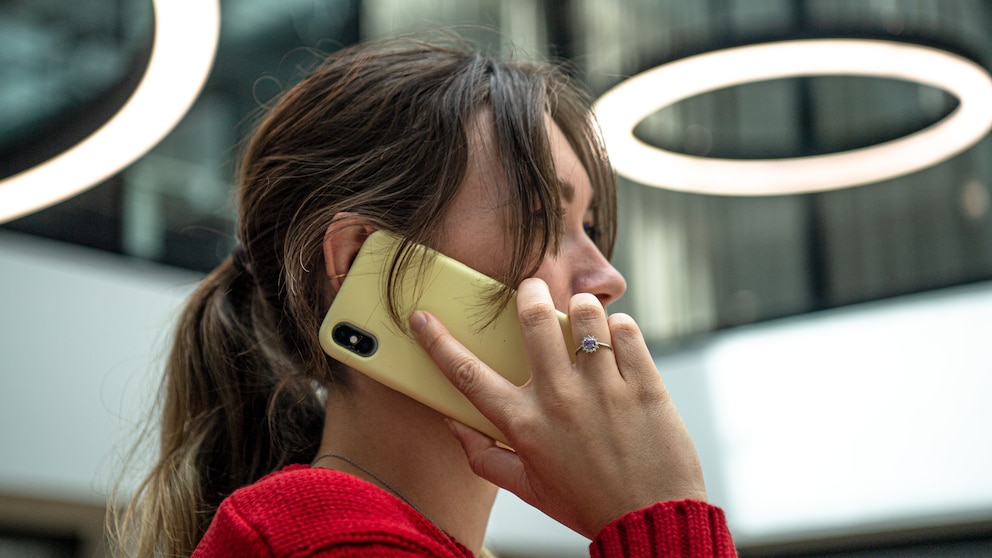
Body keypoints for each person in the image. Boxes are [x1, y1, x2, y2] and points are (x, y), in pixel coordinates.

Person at [116, 34, 737, 557]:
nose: (606, 277)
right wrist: (660, 516)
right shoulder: (330, 538)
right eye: (542, 219)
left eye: (592, 229)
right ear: (362, 262)